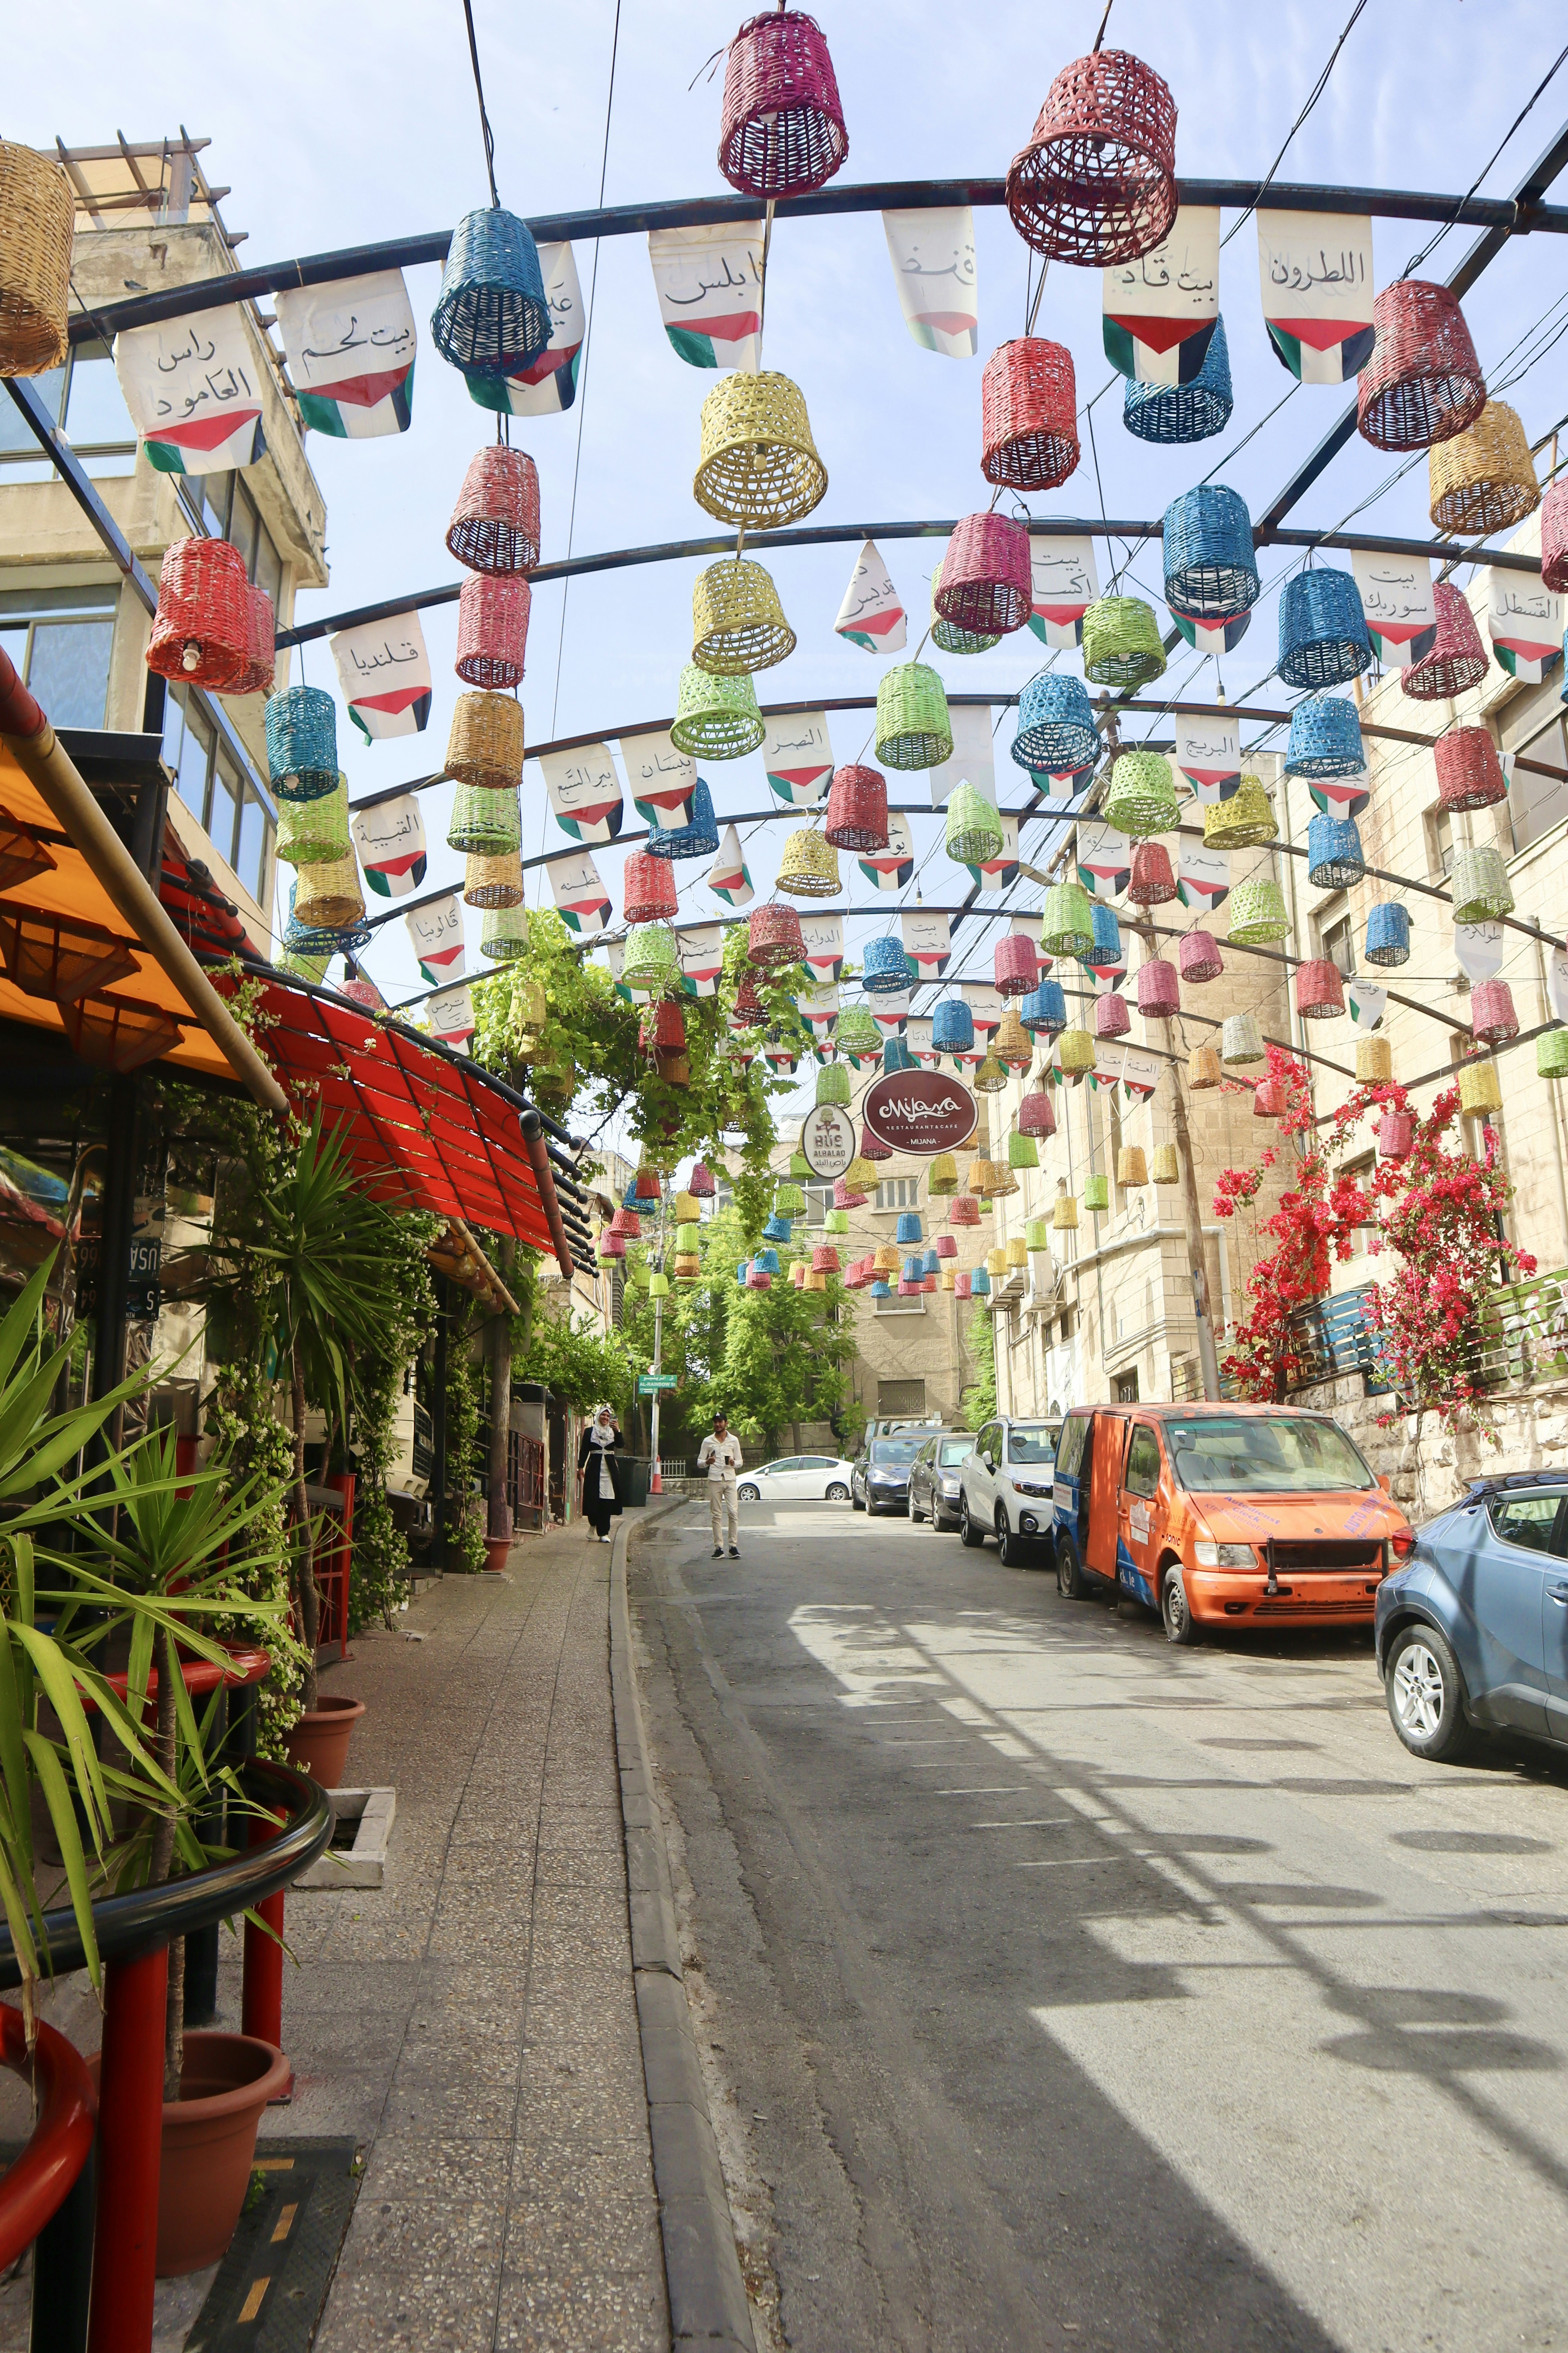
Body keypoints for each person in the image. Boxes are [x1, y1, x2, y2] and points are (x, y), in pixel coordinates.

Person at [697, 1411, 744, 1558]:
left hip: (730, 1479)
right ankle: (719, 1548)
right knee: (716, 1514)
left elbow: (740, 1462)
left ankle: (733, 1546)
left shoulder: (734, 1441)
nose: (718, 1425)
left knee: (733, 1512)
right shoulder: (708, 1441)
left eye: (720, 1422)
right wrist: (707, 1462)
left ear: (726, 1423)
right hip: (715, 1480)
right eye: (715, 1422)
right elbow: (699, 1462)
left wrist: (733, 1463)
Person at [576, 1405, 625, 1543]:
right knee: (593, 1499)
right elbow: (584, 1450)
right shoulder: (590, 1432)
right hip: (594, 1470)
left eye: (608, 1416)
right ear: (598, 1417)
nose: (606, 1418)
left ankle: (604, 1533)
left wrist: (618, 1431)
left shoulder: (613, 1432)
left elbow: (621, 1445)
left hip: (609, 1471)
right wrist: (581, 1466)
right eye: (603, 1415)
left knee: (607, 1502)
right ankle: (593, 1524)